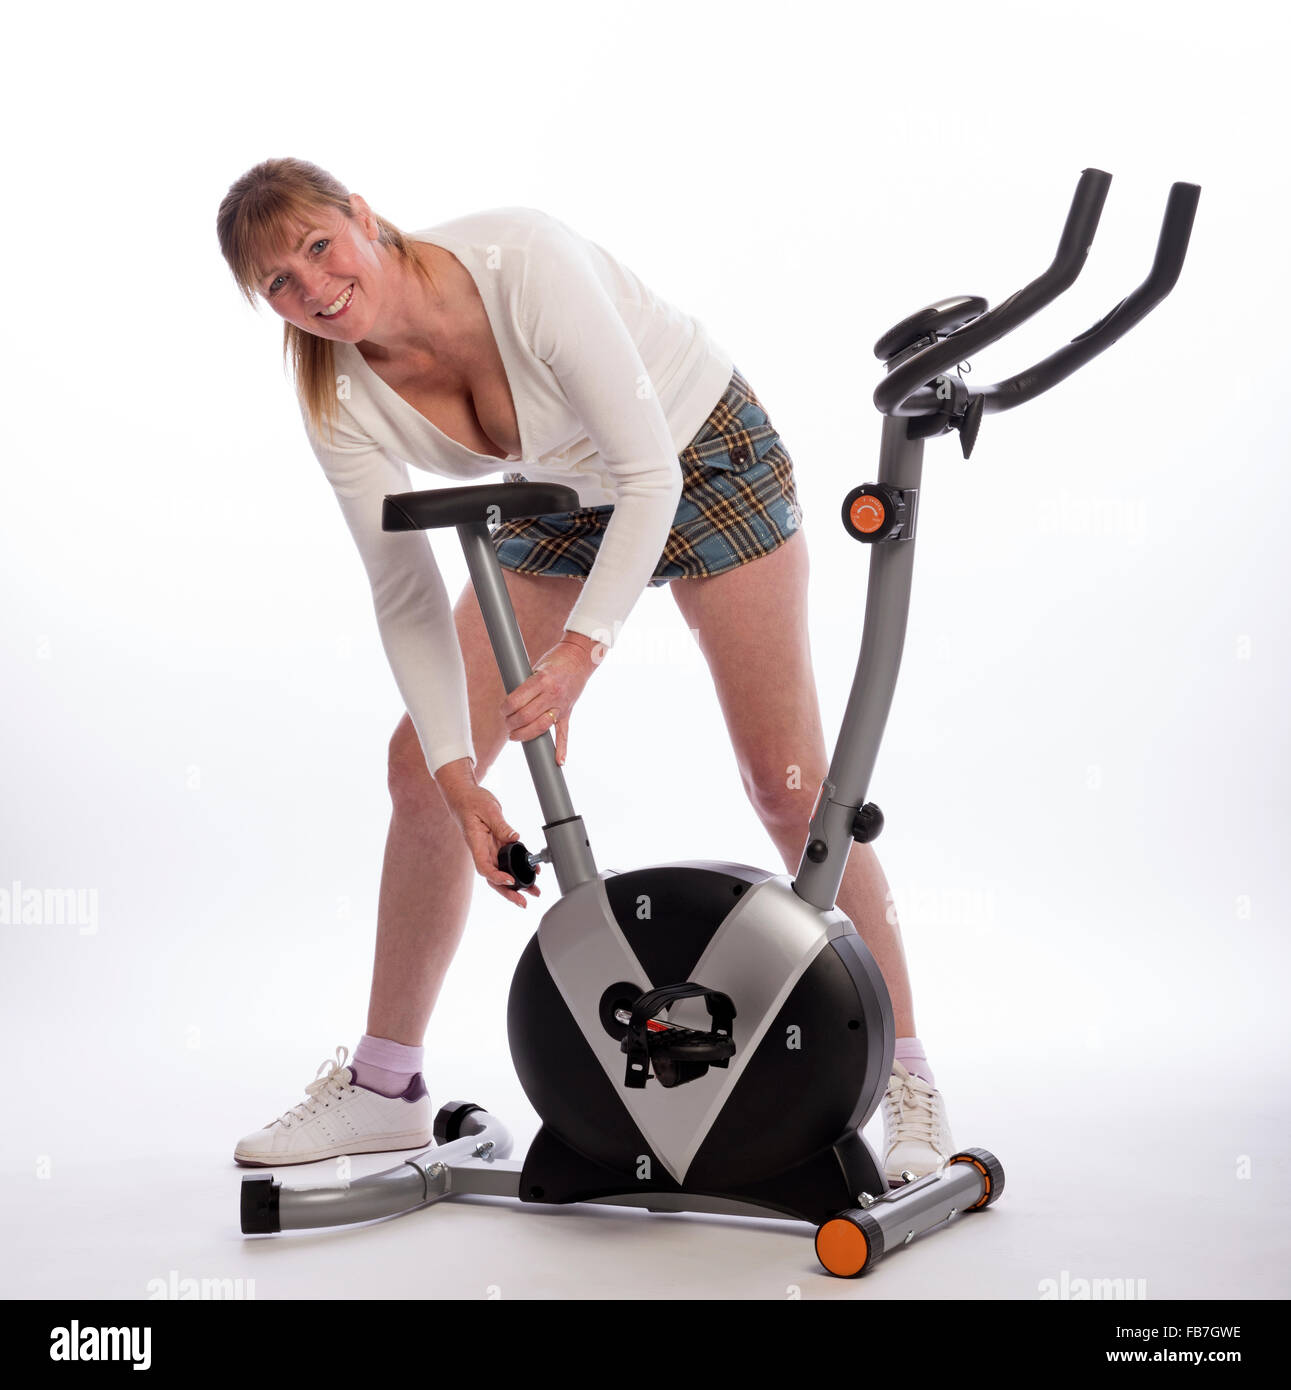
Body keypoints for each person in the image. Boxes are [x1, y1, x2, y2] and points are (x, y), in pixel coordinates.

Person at [216, 157, 951, 1181]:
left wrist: (579, 656)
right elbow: (402, 590)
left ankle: (908, 1077)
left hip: (697, 459)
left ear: (362, 217)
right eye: (278, 284)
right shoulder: (332, 390)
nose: (312, 287)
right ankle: (384, 1091)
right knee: (418, 774)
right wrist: (458, 773)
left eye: (315, 247)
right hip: (558, 492)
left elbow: (648, 472)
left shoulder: (523, 259)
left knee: (788, 788)